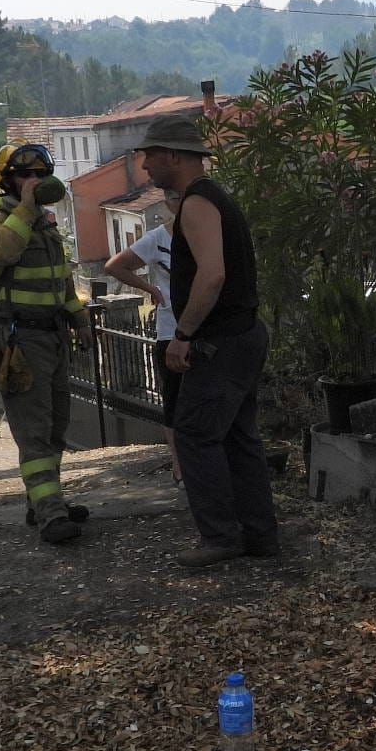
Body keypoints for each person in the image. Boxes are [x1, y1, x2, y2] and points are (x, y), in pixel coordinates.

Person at [135, 114, 279, 567]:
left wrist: (183, 335)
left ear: (173, 156)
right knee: (237, 436)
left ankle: (219, 537)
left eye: (150, 156)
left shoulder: (198, 204)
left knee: (195, 435)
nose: (144, 167)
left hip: (219, 341)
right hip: (242, 336)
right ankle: (259, 536)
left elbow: (212, 276)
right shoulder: (212, 199)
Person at [0, 142, 93, 544]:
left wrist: (78, 318)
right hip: (19, 341)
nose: (34, 182)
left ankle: (46, 500)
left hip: (53, 337)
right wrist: (27, 207)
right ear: (6, 181)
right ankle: (50, 514)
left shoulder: (44, 227)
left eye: (40, 175)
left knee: (57, 424)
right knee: (34, 433)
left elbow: (60, 279)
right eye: (25, 175)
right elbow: (2, 253)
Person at [103, 191, 184, 485]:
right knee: (174, 401)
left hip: (206, 329)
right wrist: (151, 290)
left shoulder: (208, 236)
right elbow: (115, 265)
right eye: (175, 201)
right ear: (169, 206)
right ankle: (179, 464)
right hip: (170, 328)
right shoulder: (158, 238)